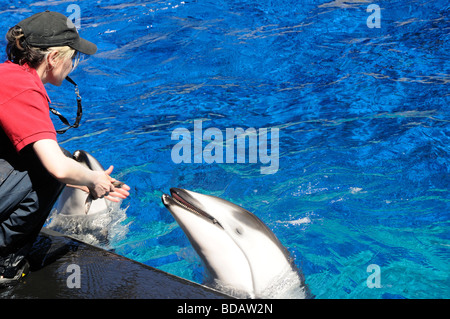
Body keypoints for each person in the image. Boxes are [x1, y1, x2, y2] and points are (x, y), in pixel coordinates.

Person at [0, 11, 130, 286]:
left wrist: (78, 179)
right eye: (73, 56)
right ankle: (5, 264)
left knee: (64, 161)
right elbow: (56, 167)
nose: (74, 63)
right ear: (52, 59)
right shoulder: (25, 89)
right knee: (54, 167)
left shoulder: (8, 75)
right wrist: (92, 178)